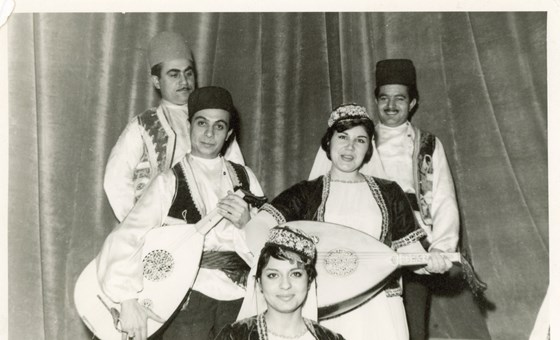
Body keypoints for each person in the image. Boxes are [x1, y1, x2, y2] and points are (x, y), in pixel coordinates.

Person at [246, 104, 452, 340]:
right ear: (328, 141)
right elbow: (257, 227)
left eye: (360, 140)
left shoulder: (390, 192)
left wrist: (431, 263)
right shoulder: (306, 192)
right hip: (328, 305)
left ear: (369, 148)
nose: (349, 147)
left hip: (381, 306)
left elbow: (409, 253)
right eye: (342, 136)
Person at [308, 59, 461, 340]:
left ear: (412, 102)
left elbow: (444, 200)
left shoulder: (428, 145)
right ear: (376, 100)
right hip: (364, 244)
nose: (391, 105)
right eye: (384, 98)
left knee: (411, 329)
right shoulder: (359, 138)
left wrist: (440, 248)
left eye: (400, 98)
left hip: (414, 244)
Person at [96, 86, 264, 340]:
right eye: (201, 123)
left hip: (240, 298)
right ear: (189, 126)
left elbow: (270, 245)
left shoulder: (245, 177)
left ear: (229, 133)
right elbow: (128, 236)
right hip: (186, 297)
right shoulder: (168, 182)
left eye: (219, 126)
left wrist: (248, 224)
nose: (209, 133)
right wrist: (127, 299)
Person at [104, 31, 244, 222]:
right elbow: (115, 180)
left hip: (214, 227)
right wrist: (139, 226)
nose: (184, 82)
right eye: (174, 75)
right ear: (156, 81)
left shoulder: (216, 119)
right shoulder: (143, 125)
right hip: (164, 231)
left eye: (188, 73)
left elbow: (238, 174)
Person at [215, 225, 346, 340]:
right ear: (259, 282)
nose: (285, 285)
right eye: (273, 275)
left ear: (309, 281)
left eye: (296, 274)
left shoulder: (331, 338)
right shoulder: (235, 336)